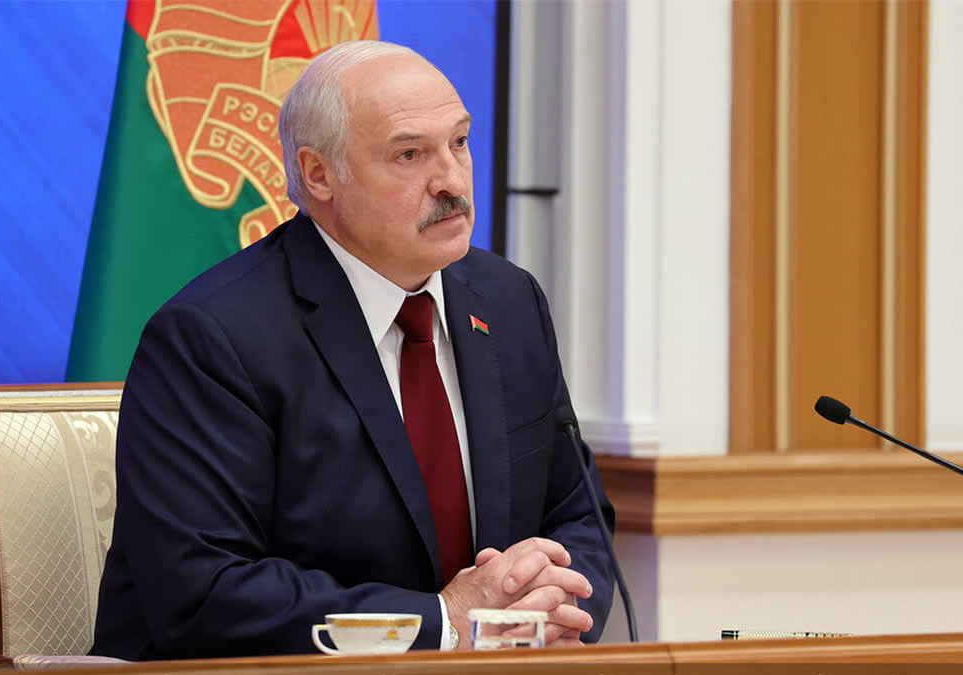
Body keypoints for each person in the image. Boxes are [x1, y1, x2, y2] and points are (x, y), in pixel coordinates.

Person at [91, 40, 615, 660]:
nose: (451, 180)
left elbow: (578, 514)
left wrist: (551, 606)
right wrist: (440, 624)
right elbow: (207, 594)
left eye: (459, 142)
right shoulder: (213, 339)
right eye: (409, 154)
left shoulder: (508, 302)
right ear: (319, 175)